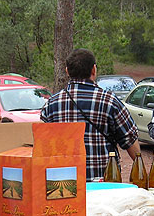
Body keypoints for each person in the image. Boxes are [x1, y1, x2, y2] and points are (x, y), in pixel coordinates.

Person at [40, 48, 140, 181]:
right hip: (104, 184)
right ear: (94, 69)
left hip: (65, 186)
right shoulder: (110, 101)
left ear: (67, 71)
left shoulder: (51, 104)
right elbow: (130, 140)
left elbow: (42, 147)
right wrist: (142, 173)